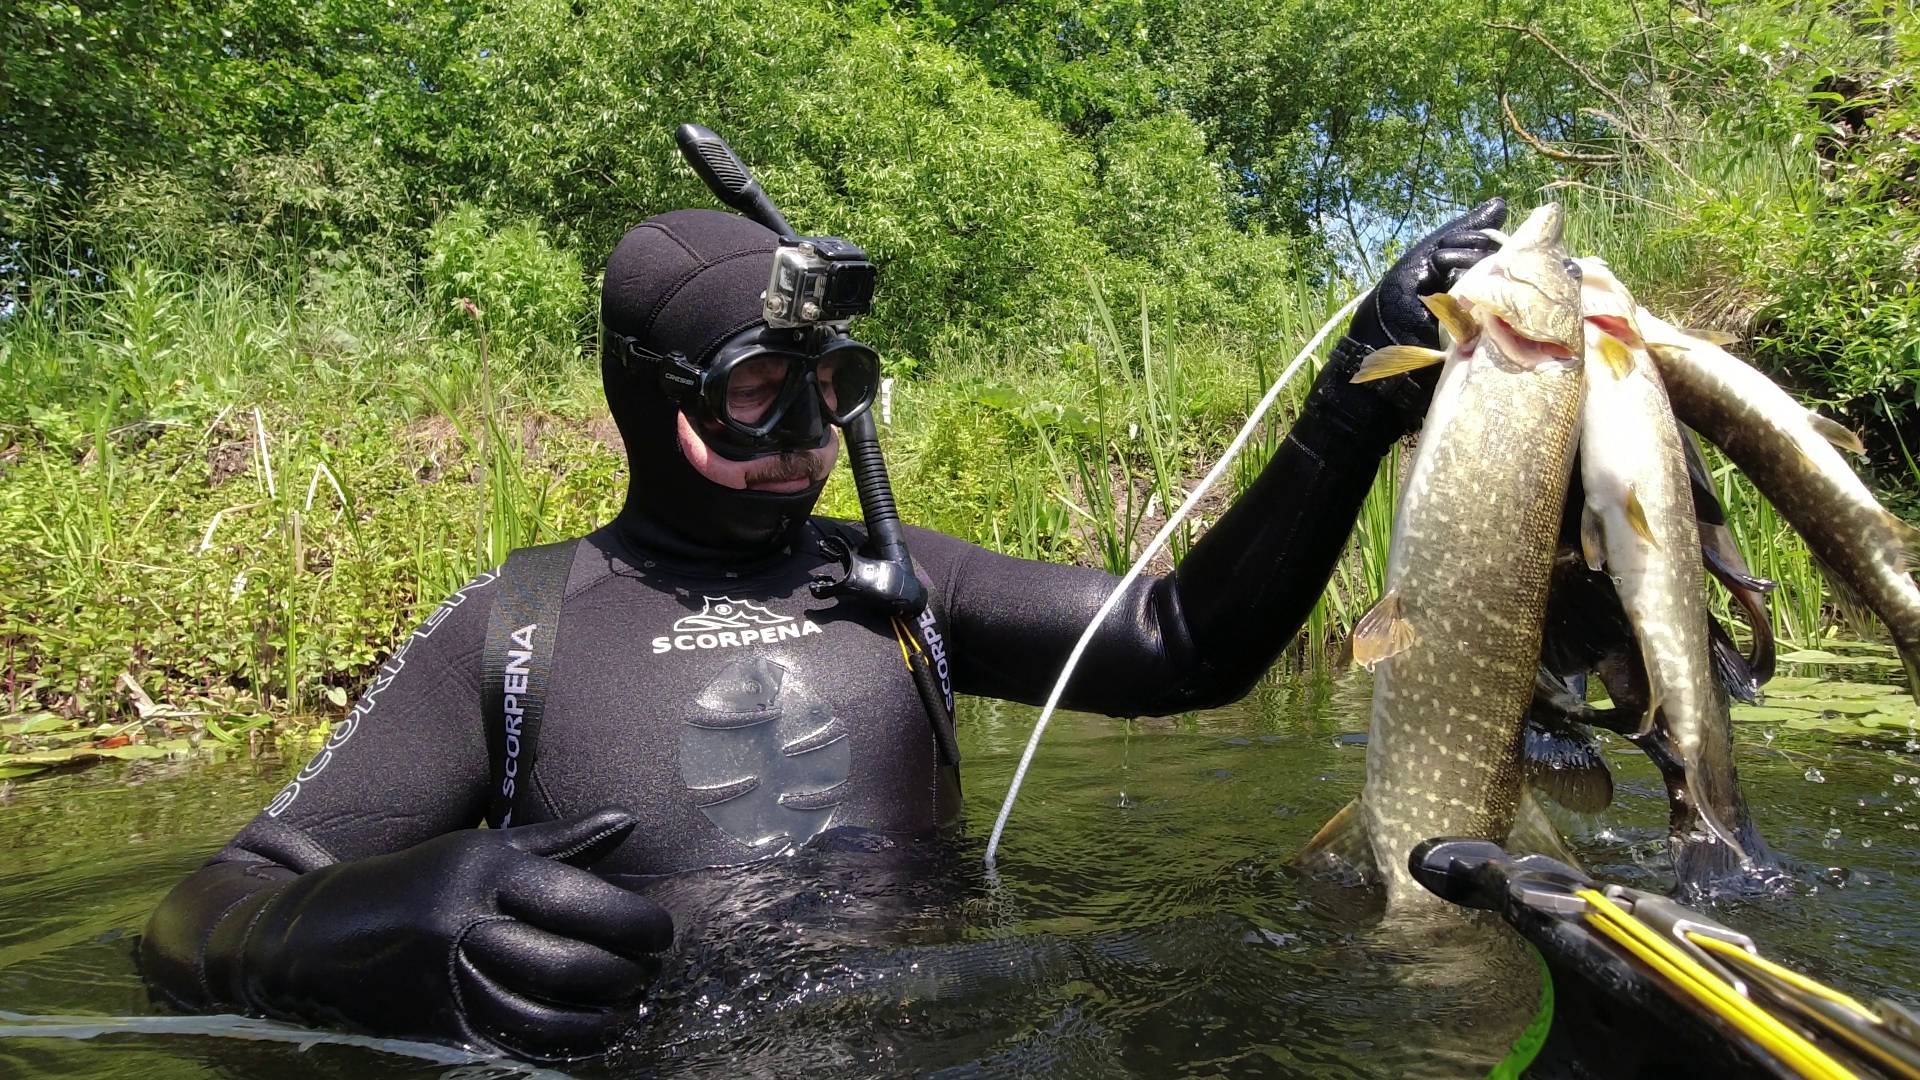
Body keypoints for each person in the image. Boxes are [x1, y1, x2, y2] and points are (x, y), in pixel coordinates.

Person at [140, 199, 1509, 1061]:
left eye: (832, 386)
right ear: (648, 397)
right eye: (755, 396)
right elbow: (204, 909)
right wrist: (359, 926)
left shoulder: (898, 581)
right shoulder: (519, 632)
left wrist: (1350, 408)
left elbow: (1182, 643)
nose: (808, 438)